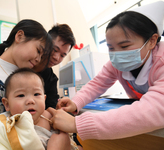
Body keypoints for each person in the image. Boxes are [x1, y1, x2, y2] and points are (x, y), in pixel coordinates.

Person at [47, 1, 164, 142]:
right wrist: (76, 102)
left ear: (152, 41)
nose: (116, 54)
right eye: (111, 48)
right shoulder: (116, 64)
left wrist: (76, 123)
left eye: (125, 46)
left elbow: (154, 109)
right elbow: (96, 84)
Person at [0, 19, 54, 149]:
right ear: (19, 36)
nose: (38, 59)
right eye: (39, 51)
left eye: (42, 57)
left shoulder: (33, 82)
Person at [0, 68, 78, 150]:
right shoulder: (1, 125)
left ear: (44, 99)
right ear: (7, 104)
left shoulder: (51, 117)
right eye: (21, 95)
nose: (30, 101)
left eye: (36, 94)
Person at [33, 23, 76, 109]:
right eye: (55, 49)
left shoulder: (51, 79)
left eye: (62, 55)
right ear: (46, 42)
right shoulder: (24, 64)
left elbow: (51, 108)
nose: (56, 57)